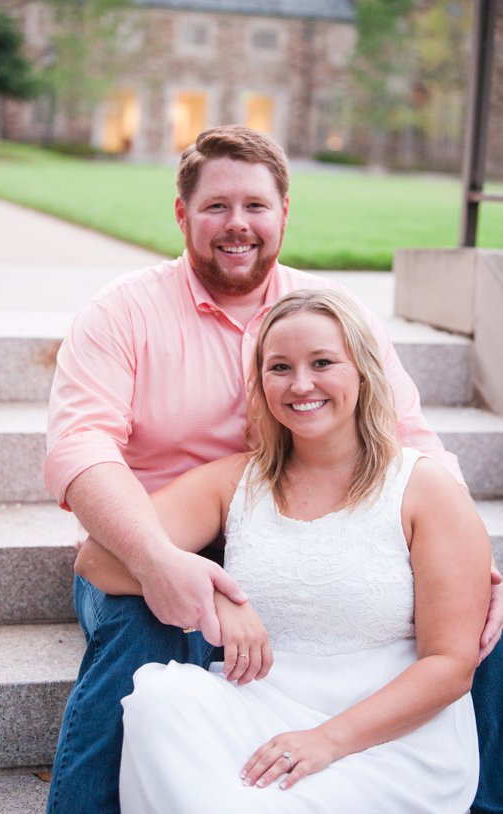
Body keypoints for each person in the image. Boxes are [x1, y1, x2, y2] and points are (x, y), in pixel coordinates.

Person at [42, 125, 503, 813]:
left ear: (285, 212)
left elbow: (411, 437)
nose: (238, 225)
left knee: (480, 630)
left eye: (256, 206)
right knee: (154, 624)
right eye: (216, 206)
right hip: (151, 532)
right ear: (182, 214)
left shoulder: (329, 316)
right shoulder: (122, 312)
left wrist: (466, 553)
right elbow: (81, 450)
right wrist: (172, 566)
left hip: (313, 526)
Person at [75, 289, 488, 811]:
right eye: (279, 368)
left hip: (388, 730)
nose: (300, 384)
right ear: (261, 383)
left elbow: (451, 665)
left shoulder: (424, 489)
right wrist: (214, 595)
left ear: (362, 370)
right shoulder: (235, 482)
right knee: (160, 699)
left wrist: (328, 741)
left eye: (322, 363)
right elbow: (97, 559)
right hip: (262, 702)